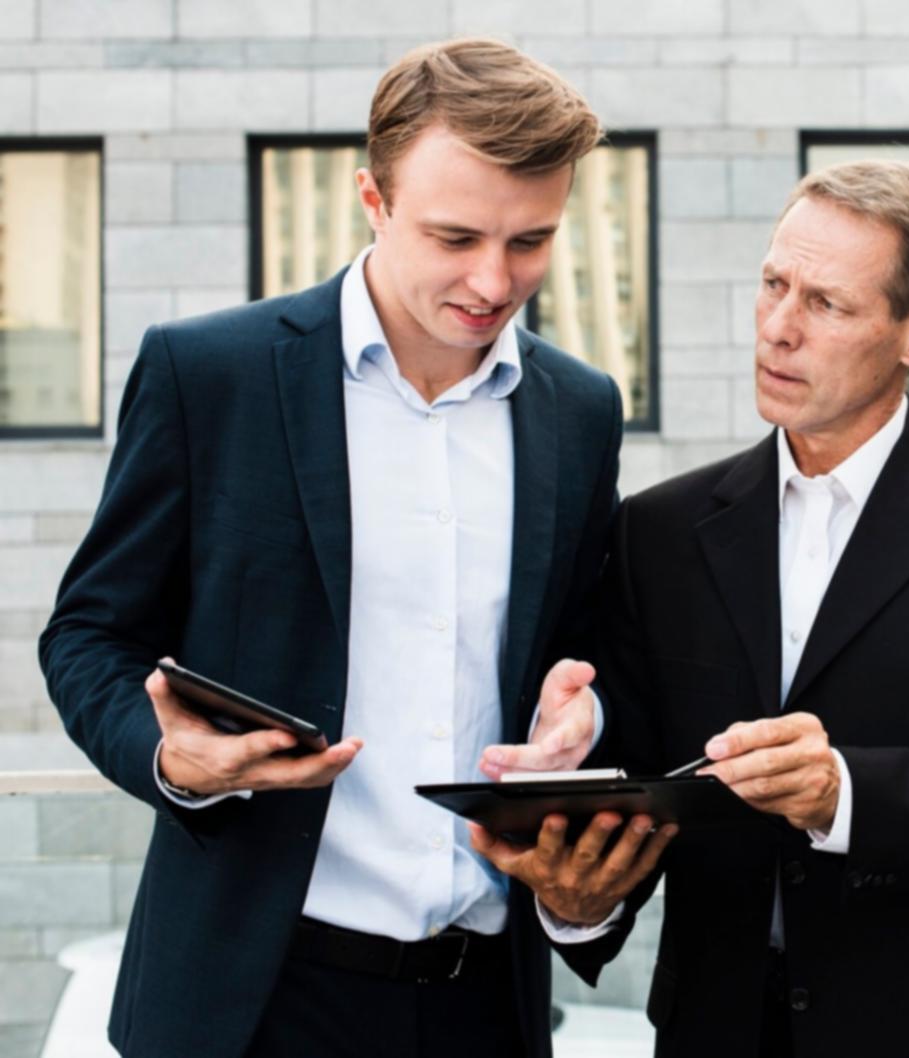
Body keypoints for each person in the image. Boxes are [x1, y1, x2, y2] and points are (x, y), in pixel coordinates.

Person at [37, 39, 627, 1058]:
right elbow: (88, 633)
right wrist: (173, 758)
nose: (494, 279)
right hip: (253, 1002)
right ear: (372, 198)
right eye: (455, 236)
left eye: (531, 240)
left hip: (486, 1003)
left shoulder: (580, 409)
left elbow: (587, 651)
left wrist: (585, 714)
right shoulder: (207, 374)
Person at [474, 160, 909, 1058]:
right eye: (774, 284)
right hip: (712, 1033)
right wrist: (578, 899)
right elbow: (640, 782)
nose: (779, 328)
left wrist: (843, 794)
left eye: (826, 304)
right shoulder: (660, 530)